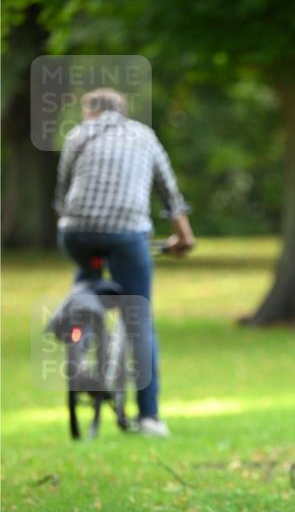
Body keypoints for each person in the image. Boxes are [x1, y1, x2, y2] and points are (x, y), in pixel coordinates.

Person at [54, 88, 195, 438]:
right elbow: (170, 196)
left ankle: (77, 328)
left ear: (92, 111)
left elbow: (62, 193)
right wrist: (184, 238)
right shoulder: (144, 136)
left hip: (76, 232)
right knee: (138, 315)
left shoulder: (77, 135)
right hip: (127, 233)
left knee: (87, 276)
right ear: (122, 110)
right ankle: (148, 417)